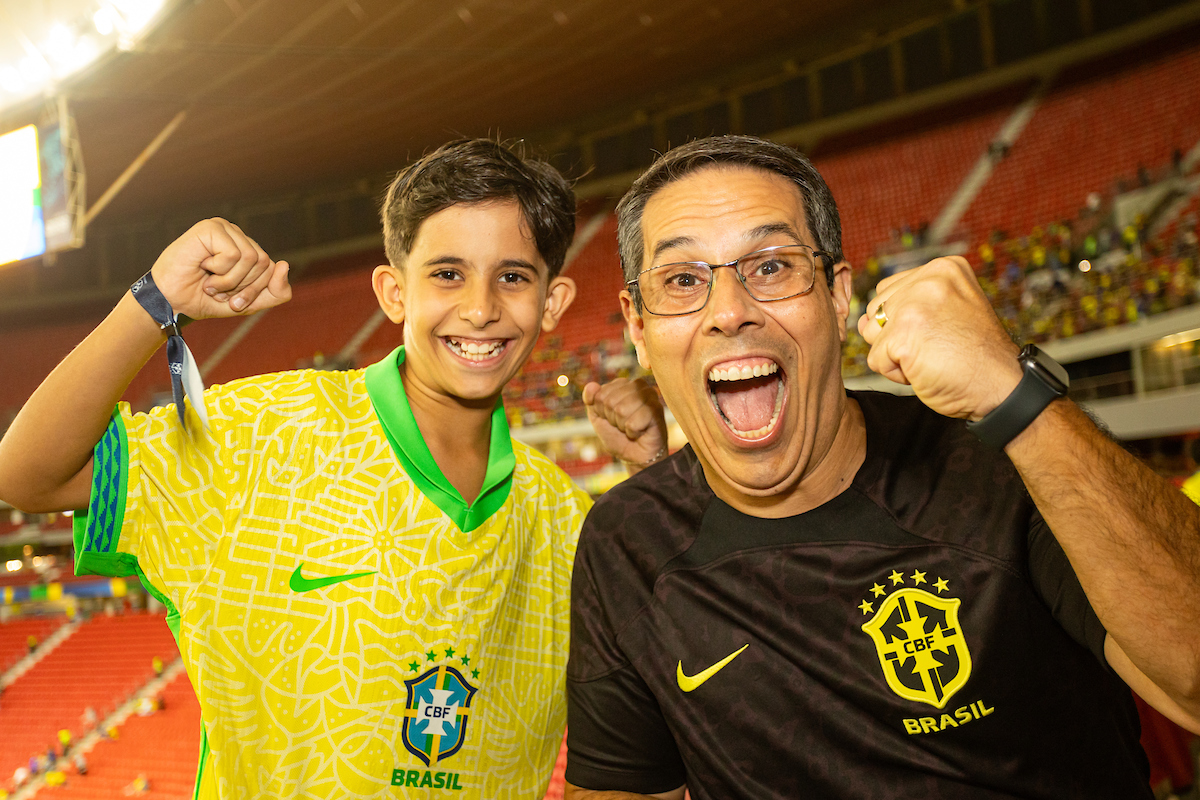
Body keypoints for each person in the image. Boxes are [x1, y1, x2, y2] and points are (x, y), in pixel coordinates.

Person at [0, 138, 665, 799]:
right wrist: (154, 302)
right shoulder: (260, 437)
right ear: (392, 291)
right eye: (447, 273)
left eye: (513, 276)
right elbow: (30, 475)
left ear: (553, 303)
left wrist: (666, 479)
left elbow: (628, 754)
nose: (481, 307)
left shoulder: (565, 522)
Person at [563, 135, 1200, 799]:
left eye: (772, 266)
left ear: (838, 297)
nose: (729, 312)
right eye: (684, 280)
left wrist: (1019, 400)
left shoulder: (997, 463)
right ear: (637, 327)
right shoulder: (626, 540)